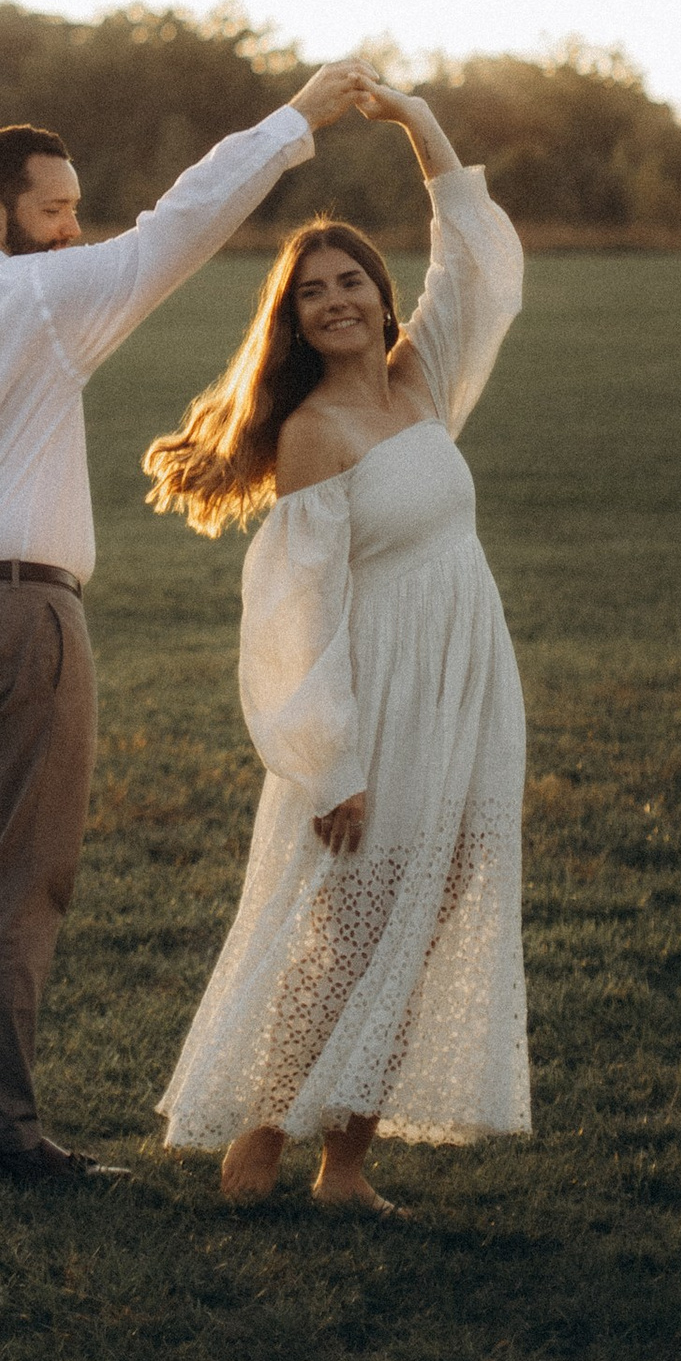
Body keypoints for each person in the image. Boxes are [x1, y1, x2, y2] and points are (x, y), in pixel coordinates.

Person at [0, 60, 378, 1188]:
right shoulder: (35, 299)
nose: (74, 229)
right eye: (56, 209)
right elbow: (178, 226)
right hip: (19, 612)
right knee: (24, 877)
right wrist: (296, 122)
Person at [146, 83, 529, 1211]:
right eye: (309, 294)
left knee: (419, 923)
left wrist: (418, 121)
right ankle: (257, 1143)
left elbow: (477, 262)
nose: (334, 302)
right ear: (291, 320)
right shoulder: (313, 437)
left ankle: (345, 1167)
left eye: (349, 281)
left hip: (467, 683)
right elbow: (292, 618)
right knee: (347, 934)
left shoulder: (423, 384)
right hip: (379, 704)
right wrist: (333, 762)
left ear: (378, 290)